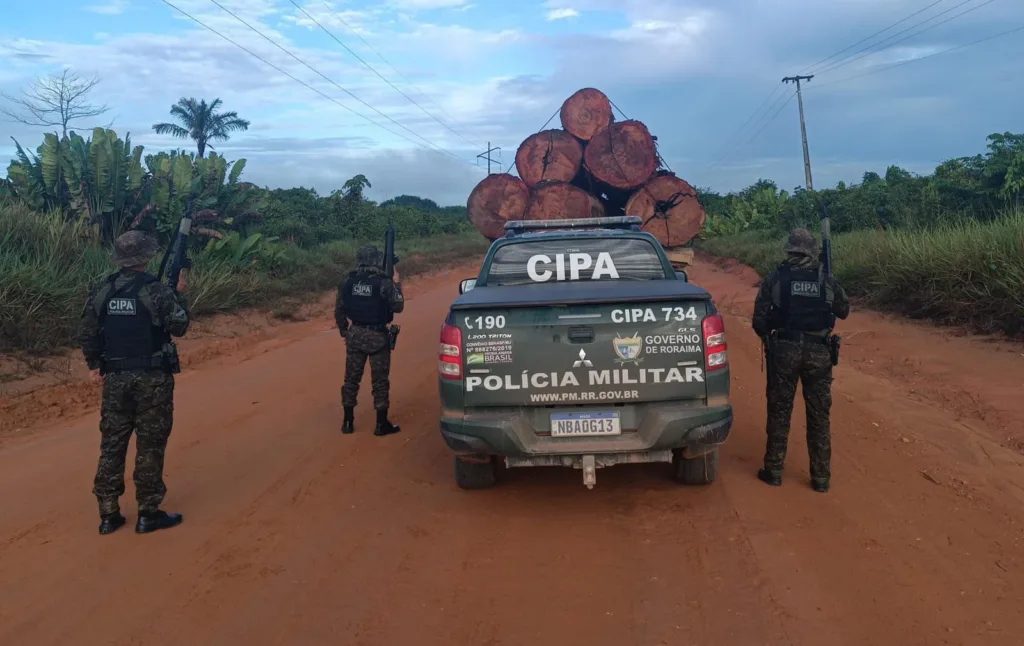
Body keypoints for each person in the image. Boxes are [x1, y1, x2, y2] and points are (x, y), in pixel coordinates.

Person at [78, 231, 190, 535]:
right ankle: (148, 513)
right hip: (152, 379)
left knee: (112, 444)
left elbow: (88, 331)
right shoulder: (156, 291)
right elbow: (179, 326)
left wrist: (94, 365)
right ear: (145, 257)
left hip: (114, 378)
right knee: (150, 444)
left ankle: (108, 513)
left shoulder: (104, 289)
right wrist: (178, 292)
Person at [751, 228, 849, 493]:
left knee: (779, 410)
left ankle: (773, 471)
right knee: (819, 415)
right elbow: (844, 311)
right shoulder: (826, 280)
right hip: (819, 353)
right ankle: (820, 478)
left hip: (784, 350)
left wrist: (771, 336)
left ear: (790, 250)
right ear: (812, 252)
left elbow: (758, 320)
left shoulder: (775, 279)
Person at [335, 244, 404, 436]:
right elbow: (398, 307)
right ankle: (381, 424)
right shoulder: (383, 283)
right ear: (376, 260)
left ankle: (347, 422)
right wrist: (396, 283)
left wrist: (344, 332)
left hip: (355, 334)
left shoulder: (347, 281)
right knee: (380, 381)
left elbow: (339, 310)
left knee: (350, 380)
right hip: (377, 337)